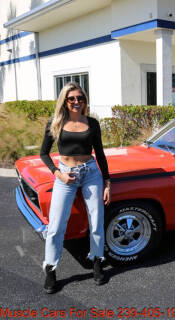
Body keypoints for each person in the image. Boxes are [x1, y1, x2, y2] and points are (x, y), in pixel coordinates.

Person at [39, 82, 111, 293]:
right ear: (64, 101)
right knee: (55, 226)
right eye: (72, 99)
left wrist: (107, 182)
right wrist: (58, 174)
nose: (77, 102)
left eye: (80, 98)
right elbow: (44, 153)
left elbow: (100, 153)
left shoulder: (92, 123)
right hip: (64, 174)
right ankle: (51, 269)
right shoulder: (55, 123)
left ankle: (97, 261)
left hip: (90, 173)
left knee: (96, 221)